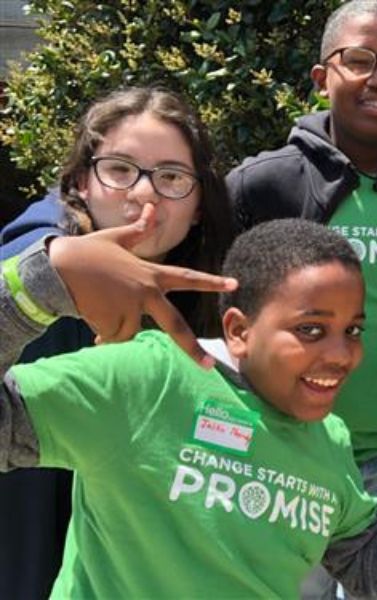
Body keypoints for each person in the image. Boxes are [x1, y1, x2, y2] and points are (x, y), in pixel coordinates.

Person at [0, 214, 377, 598]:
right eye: (311, 330)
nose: (343, 355)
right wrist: (42, 280)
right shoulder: (148, 379)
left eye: (353, 331)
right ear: (238, 330)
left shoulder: (330, 440)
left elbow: (370, 575)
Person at [227, 2, 377, 595]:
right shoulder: (264, 184)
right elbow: (221, 317)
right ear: (322, 78)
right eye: (359, 60)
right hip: (287, 451)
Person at [0, 85, 234, 599]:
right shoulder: (34, 255)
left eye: (171, 177)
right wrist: (51, 272)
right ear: (81, 181)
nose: (144, 194)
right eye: (120, 170)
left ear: (198, 205)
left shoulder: (189, 281)